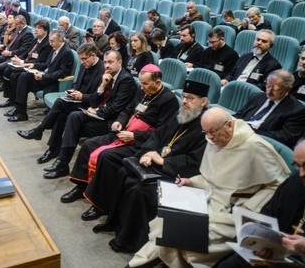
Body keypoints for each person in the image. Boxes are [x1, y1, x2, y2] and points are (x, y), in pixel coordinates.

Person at [128, 107, 290, 268]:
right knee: (168, 222)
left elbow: (279, 185)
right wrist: (192, 182)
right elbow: (211, 178)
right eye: (206, 133)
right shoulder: (214, 140)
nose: (211, 138)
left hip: (233, 212)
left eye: (213, 132)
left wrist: (251, 205)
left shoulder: (254, 147)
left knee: (183, 237)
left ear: (229, 125)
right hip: (206, 200)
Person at [88, 81, 210, 253]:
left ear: (203, 101)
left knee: (139, 190)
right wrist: (147, 152)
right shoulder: (182, 114)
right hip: (156, 163)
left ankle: (128, 240)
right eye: (183, 97)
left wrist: (161, 161)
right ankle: (115, 223)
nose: (184, 101)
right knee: (123, 172)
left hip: (177, 175)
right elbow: (158, 136)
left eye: (190, 98)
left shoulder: (206, 127)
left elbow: (194, 161)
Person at [62, 65, 178, 218]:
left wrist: (135, 136)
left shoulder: (169, 100)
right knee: (89, 145)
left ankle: (100, 204)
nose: (142, 88)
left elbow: (161, 133)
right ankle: (81, 186)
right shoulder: (142, 91)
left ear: (157, 83)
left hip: (141, 143)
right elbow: (128, 109)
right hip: (124, 131)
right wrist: (120, 122)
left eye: (145, 84)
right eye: (141, 84)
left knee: (106, 157)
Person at [216, 137, 305, 268]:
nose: (302, 173)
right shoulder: (294, 183)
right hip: (271, 256)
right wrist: (262, 243)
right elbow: (268, 215)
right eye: (298, 165)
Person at [42, 50, 136, 179]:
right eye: (106, 62)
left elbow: (115, 109)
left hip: (112, 122)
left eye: (111, 62)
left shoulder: (126, 80)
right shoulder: (107, 76)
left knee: (72, 121)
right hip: (99, 115)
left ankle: (61, 162)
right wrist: (102, 85)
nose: (107, 65)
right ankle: (62, 162)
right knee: (73, 117)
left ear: (119, 62)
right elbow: (93, 101)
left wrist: (96, 111)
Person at [16, 43, 105, 163]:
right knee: (60, 114)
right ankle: (52, 149)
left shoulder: (102, 70)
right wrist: (73, 90)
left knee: (59, 104)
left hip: (89, 104)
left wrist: (82, 96)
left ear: (93, 55)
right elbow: (76, 83)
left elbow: (99, 97)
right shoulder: (84, 65)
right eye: (81, 59)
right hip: (77, 99)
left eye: (84, 59)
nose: (82, 62)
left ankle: (40, 131)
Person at [4, 30, 74, 122]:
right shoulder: (55, 49)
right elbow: (46, 64)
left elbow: (62, 73)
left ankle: (20, 111)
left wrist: (43, 77)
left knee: (23, 78)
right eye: (49, 41)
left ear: (60, 40)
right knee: (22, 76)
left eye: (52, 41)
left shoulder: (66, 52)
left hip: (52, 82)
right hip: (45, 76)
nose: (50, 43)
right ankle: (19, 109)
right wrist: (34, 65)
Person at [234, 69, 305, 148]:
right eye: (268, 85)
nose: (269, 91)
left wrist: (250, 131)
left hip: (260, 144)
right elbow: (239, 115)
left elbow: (284, 137)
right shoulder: (257, 96)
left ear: (288, 89)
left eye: (276, 88)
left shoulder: (298, 111)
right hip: (239, 134)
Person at [0, 19, 51, 103]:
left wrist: (22, 62)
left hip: (36, 68)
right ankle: (11, 99)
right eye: (35, 27)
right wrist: (18, 59)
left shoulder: (47, 44)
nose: (36, 30)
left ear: (46, 31)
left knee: (15, 75)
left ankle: (17, 102)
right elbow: (27, 52)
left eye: (39, 28)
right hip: (27, 63)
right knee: (7, 70)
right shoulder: (36, 39)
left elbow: (40, 61)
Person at [0, 14, 35, 84]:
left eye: (17, 24)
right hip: (8, 53)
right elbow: (11, 42)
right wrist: (5, 48)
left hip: (16, 56)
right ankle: (0, 79)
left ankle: (3, 82)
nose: (16, 26)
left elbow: (24, 49)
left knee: (0, 67)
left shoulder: (27, 33)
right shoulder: (17, 30)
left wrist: (10, 53)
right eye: (15, 24)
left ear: (23, 23)